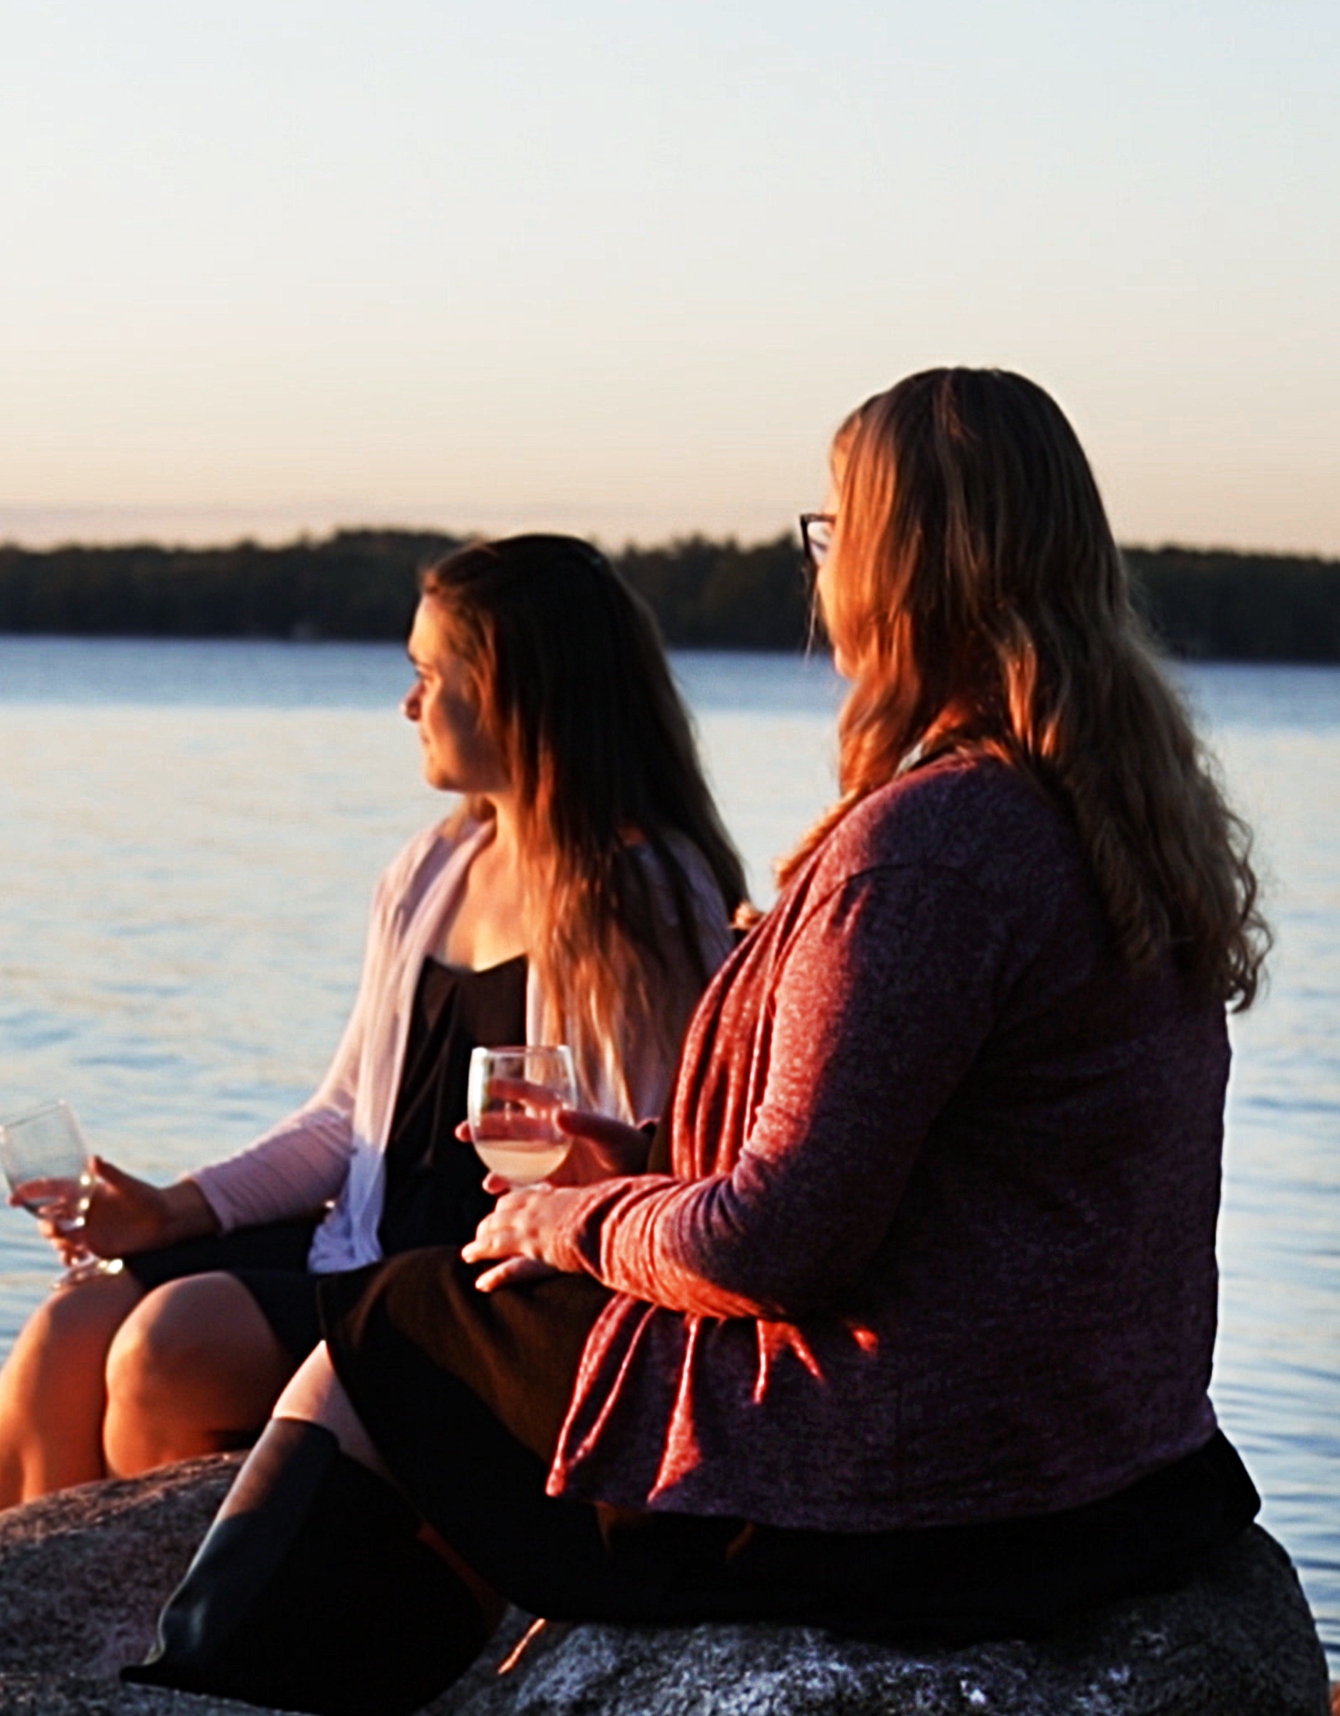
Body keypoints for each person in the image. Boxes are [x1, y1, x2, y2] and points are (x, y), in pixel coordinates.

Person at [124, 368, 1271, 1716]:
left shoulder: (932, 846)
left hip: (910, 1480)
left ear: (903, 566)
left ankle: (200, 1693)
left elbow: (776, 1243)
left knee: (397, 1332)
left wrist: (573, 1222)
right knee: (437, 1334)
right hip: (1096, 1456)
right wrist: (661, 1153)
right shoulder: (1115, 817)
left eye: (834, 529)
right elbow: (948, 1159)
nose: (821, 568)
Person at [0, 533, 746, 1532]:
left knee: (168, 1344)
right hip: (363, 1250)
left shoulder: (638, 890)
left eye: (428, 673)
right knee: (75, 1323)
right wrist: (173, 1211)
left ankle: (182, 1642)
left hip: (489, 1288)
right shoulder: (432, 868)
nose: (408, 704)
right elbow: (343, 1124)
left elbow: (677, 1144)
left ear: (509, 689)